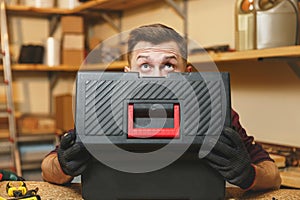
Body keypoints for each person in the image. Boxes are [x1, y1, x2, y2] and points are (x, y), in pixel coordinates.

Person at [41, 23, 281, 191]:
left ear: (187, 73)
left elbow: (273, 175)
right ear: (128, 73)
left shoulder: (215, 110)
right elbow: (47, 169)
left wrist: (249, 174)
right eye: (145, 65)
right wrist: (63, 165)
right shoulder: (101, 110)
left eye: (168, 65)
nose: (157, 76)